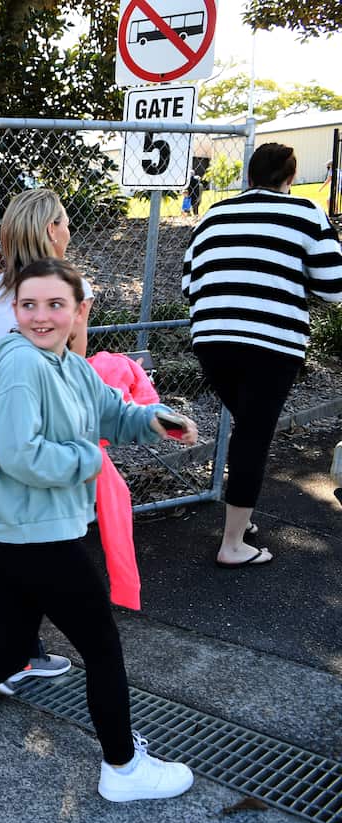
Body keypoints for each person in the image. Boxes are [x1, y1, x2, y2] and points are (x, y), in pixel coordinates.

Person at [0, 258, 200, 805]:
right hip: (36, 538)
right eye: (29, 305)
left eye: (55, 305)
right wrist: (86, 461)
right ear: (15, 310)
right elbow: (18, 454)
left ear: (77, 311)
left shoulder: (68, 365)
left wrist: (156, 419)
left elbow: (112, 411)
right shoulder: (23, 364)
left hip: (19, 536)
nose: (41, 316)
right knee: (102, 649)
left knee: (8, 653)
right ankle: (121, 766)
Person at [0, 188, 84, 693]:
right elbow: (74, 366)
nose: (69, 231)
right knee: (49, 552)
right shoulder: (64, 287)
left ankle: (17, 647)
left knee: (13, 550)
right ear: (50, 230)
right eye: (65, 222)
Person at [184, 142, 342, 568]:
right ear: (289, 179)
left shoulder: (214, 215)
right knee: (254, 433)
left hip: (212, 339)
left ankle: (242, 517)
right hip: (272, 343)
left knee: (246, 427)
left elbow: (189, 283)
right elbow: (334, 286)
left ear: (250, 176)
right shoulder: (307, 213)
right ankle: (232, 544)